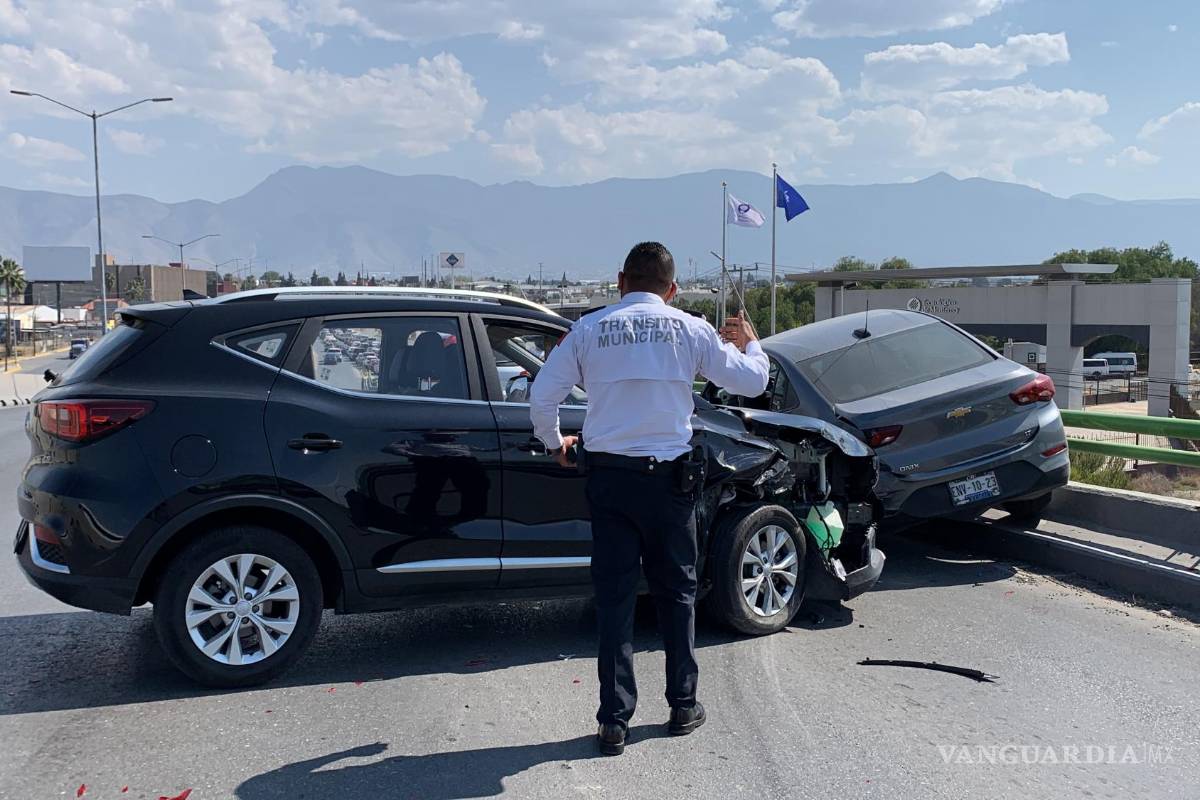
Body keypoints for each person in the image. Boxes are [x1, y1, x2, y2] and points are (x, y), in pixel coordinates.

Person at [529, 241, 770, 756]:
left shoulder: (588, 329)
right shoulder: (691, 328)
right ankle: (683, 705)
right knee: (677, 593)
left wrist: (556, 444)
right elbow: (752, 383)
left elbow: (541, 396)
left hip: (610, 481)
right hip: (671, 484)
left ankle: (614, 720)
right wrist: (751, 344)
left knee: (614, 598)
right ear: (673, 289)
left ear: (620, 281)